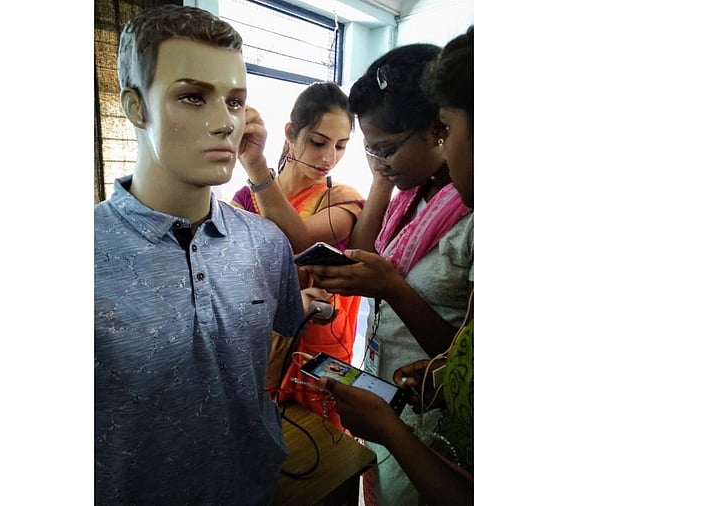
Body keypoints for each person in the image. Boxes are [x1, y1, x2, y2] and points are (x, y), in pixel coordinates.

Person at [93, 6, 305, 504]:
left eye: (235, 102)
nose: (223, 123)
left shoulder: (267, 245)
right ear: (136, 106)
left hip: (255, 490)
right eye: (192, 97)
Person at [302, 43, 473, 505]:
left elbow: (467, 359)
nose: (379, 163)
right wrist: (385, 171)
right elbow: (366, 248)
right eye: (370, 151)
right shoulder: (412, 196)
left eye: (388, 149)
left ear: (438, 130)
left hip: (434, 418)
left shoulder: (471, 216)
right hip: (391, 392)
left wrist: (392, 288)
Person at [232, 82, 364, 429]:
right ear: (290, 133)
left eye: (340, 146)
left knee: (328, 454)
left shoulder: (342, 199)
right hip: (261, 349)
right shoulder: (243, 201)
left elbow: (299, 240)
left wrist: (256, 167)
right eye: (319, 142)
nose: (329, 158)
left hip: (321, 352)